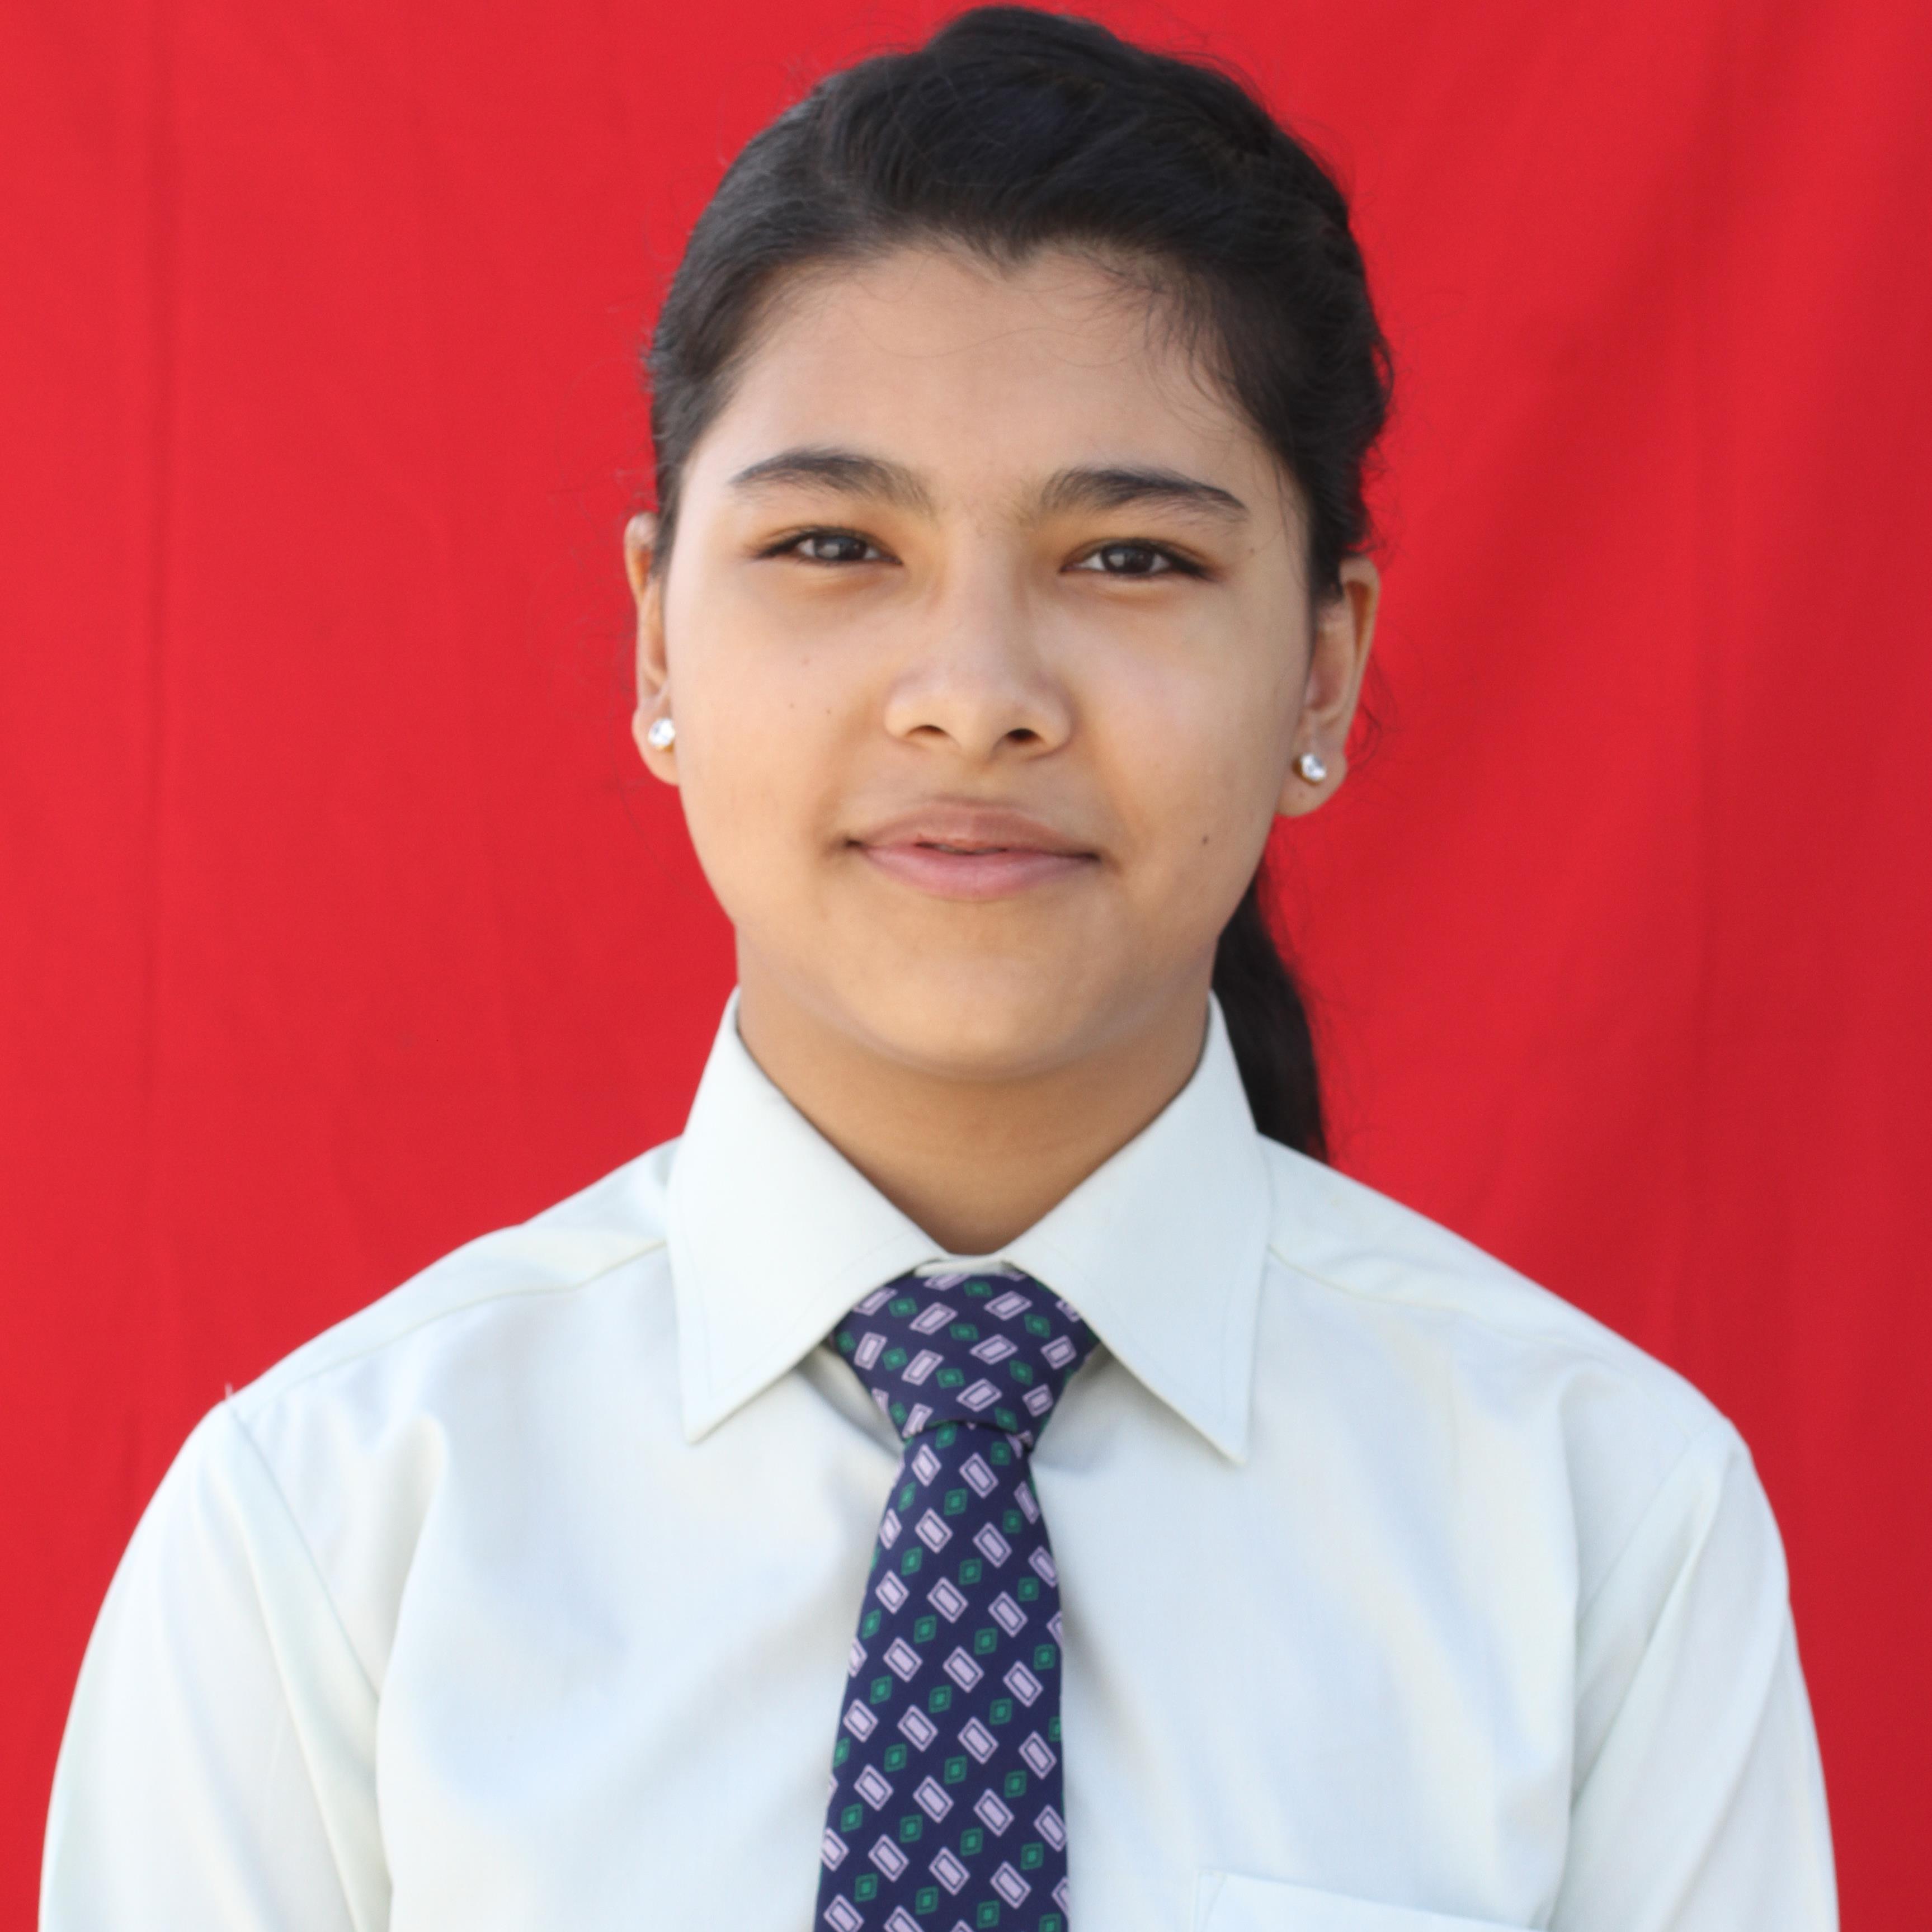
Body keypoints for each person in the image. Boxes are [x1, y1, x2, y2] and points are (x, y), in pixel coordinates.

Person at [41, 8, 1836, 1929]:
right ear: (657, 641)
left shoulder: (1600, 1523)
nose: (976, 696)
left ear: (1324, 669)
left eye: (1131, 559)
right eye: (834, 543)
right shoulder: (329, 1531)